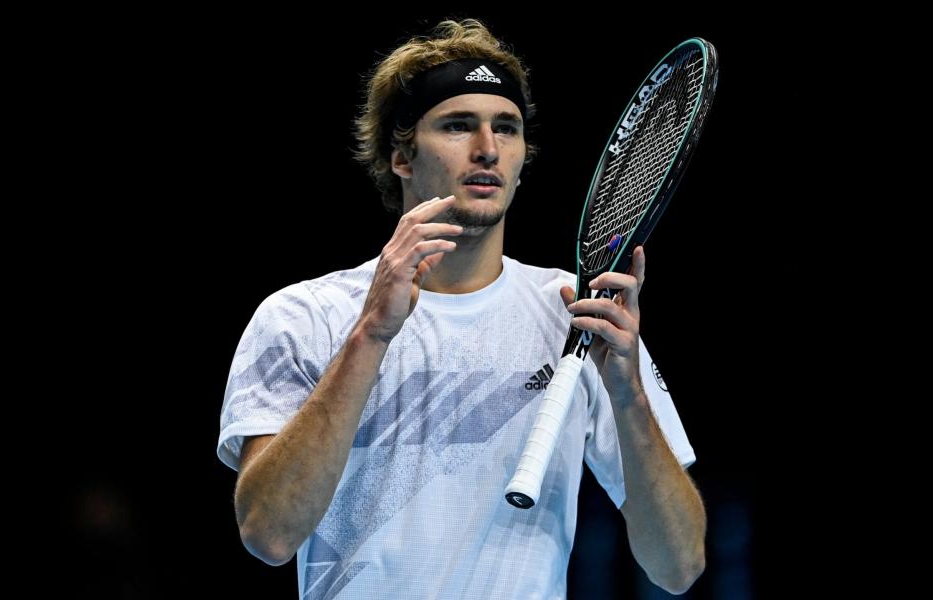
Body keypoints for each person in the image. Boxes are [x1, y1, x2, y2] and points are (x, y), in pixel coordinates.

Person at [218, 18, 705, 598]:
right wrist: (372, 334)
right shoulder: (304, 315)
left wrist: (627, 392)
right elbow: (268, 535)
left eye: (507, 128)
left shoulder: (575, 312)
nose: (487, 149)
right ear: (401, 156)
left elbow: (678, 565)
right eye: (457, 125)